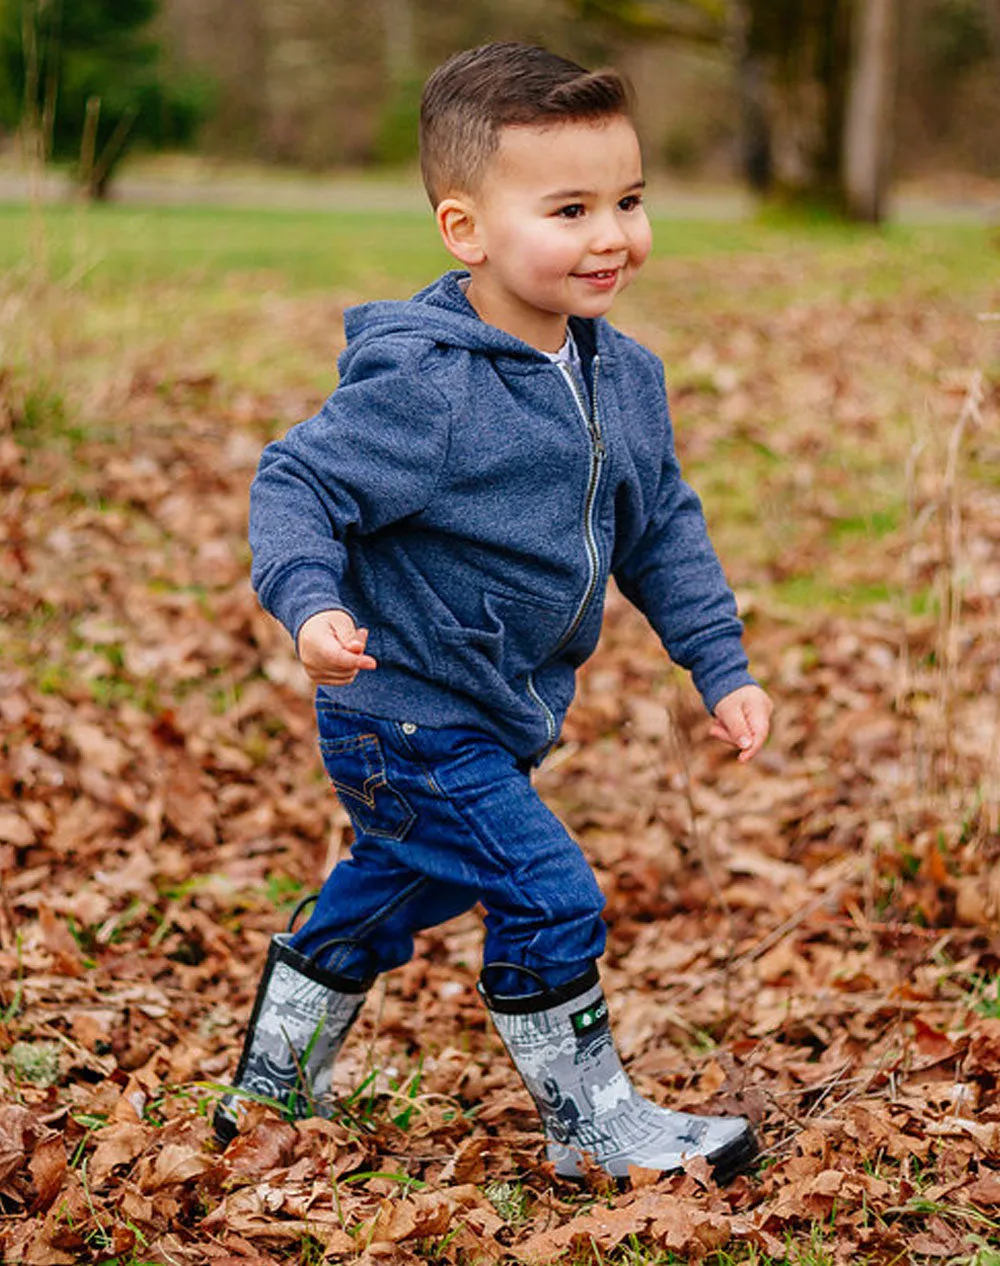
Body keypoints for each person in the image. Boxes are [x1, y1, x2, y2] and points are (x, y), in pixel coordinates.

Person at [214, 41, 773, 1183]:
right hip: (404, 710)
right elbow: (298, 483)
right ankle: (591, 1130)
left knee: (391, 891)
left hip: (493, 709)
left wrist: (717, 663)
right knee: (549, 892)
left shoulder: (621, 375)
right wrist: (309, 604)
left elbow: (660, 526)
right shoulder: (429, 384)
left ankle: (267, 1085)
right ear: (465, 229)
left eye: (628, 200)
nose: (610, 235)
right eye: (568, 209)